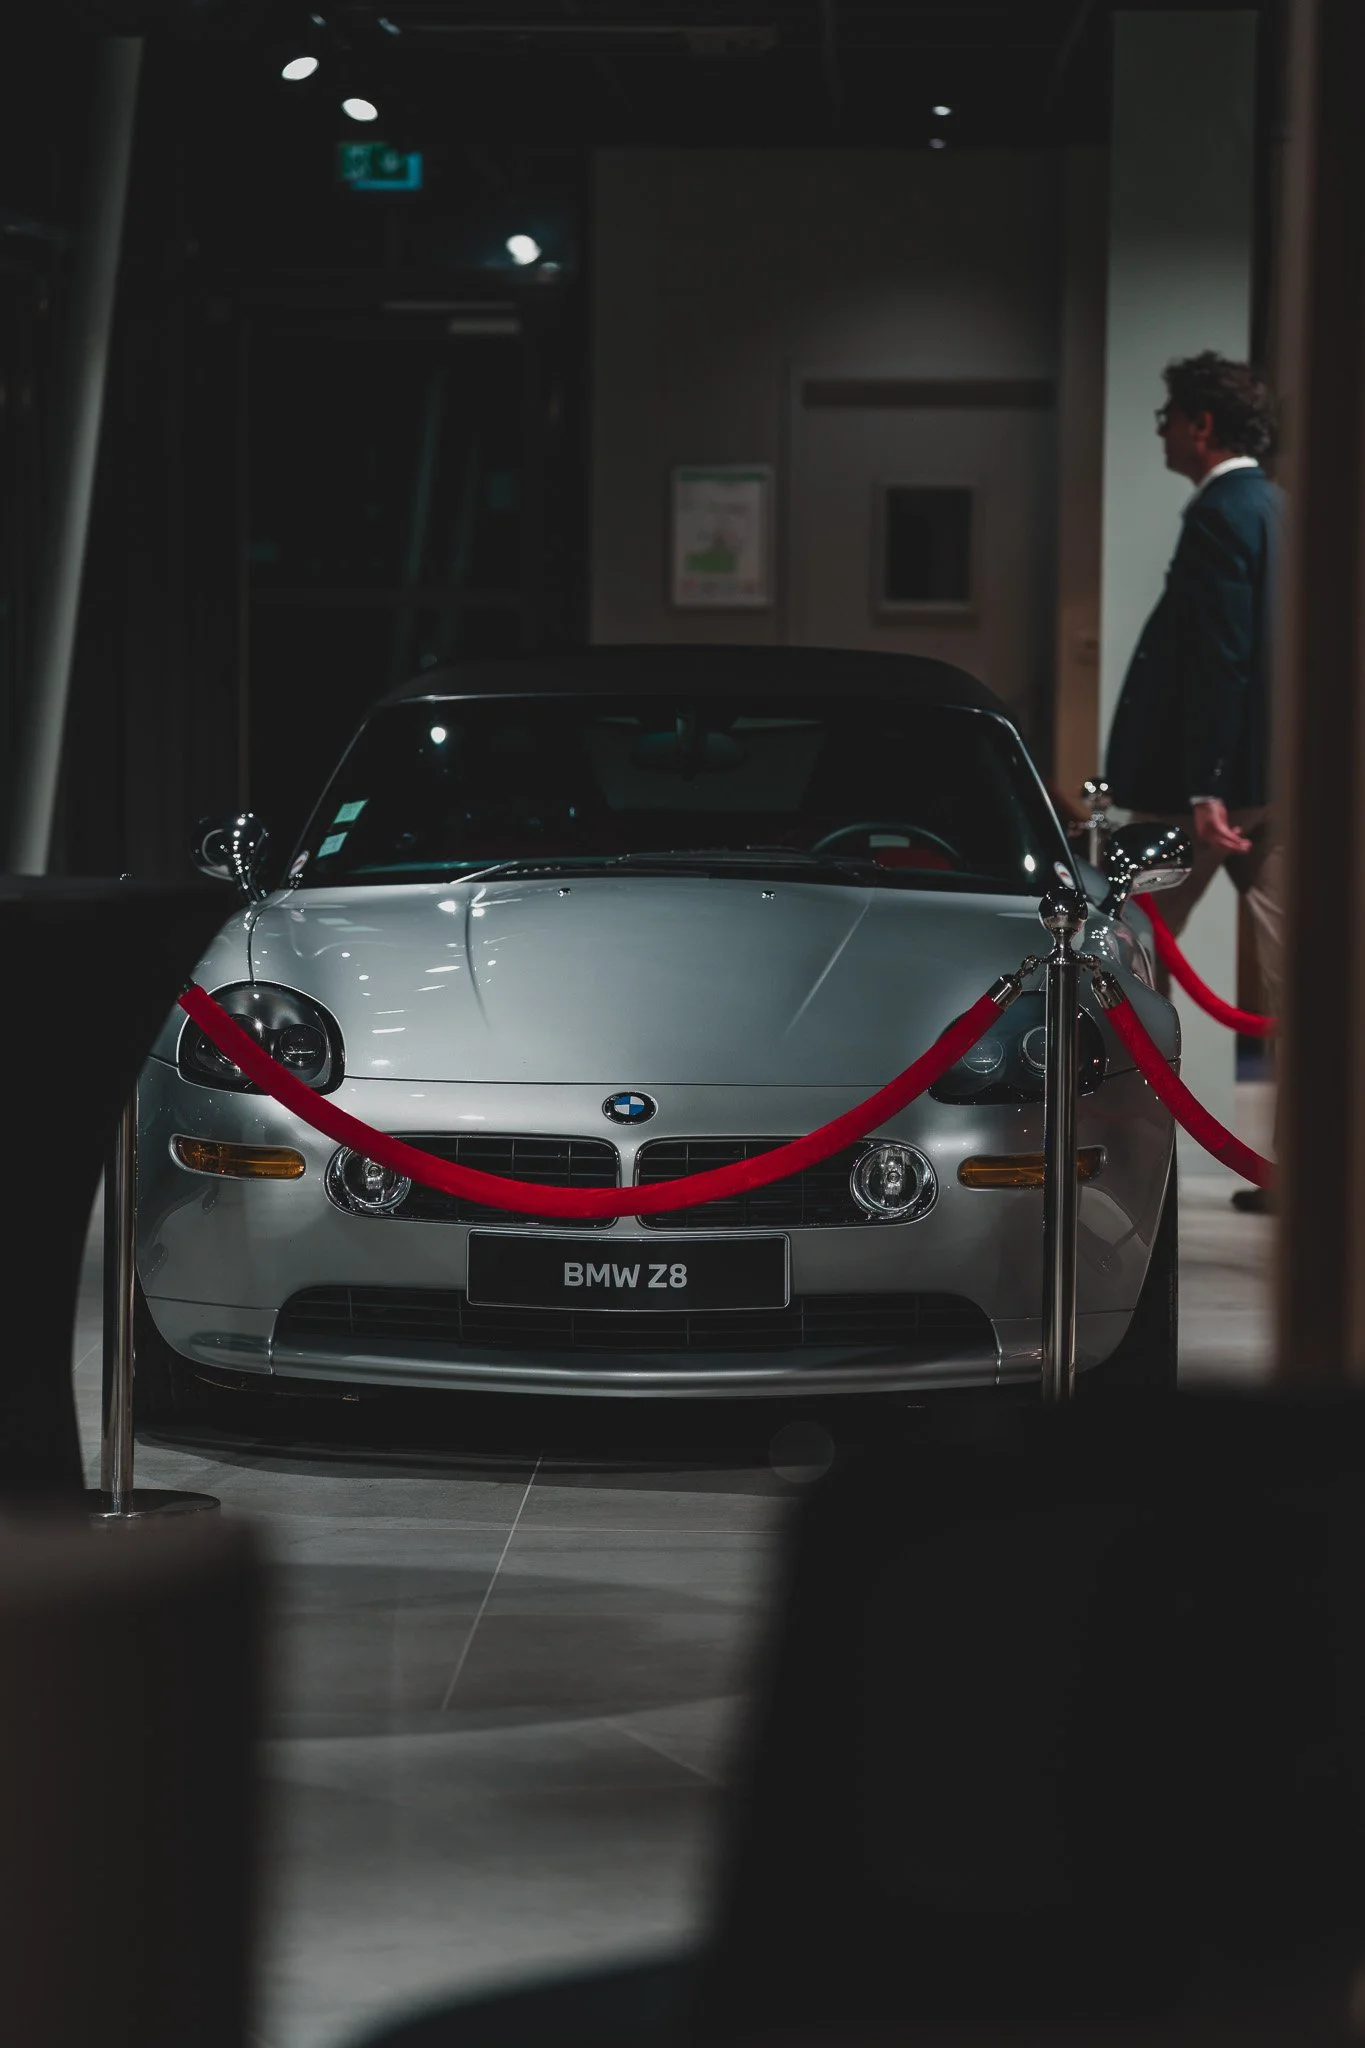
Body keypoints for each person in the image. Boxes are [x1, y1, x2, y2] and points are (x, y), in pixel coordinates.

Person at [1104, 351, 1281, 1213]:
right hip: (1281, 780)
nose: (1163, 432)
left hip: (1202, 790)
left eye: (1167, 416)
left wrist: (1206, 786)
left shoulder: (1217, 512)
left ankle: (1138, 1172)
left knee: (1127, 951)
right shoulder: (1276, 508)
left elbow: (1221, 657)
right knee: (1295, 976)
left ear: (1200, 425)